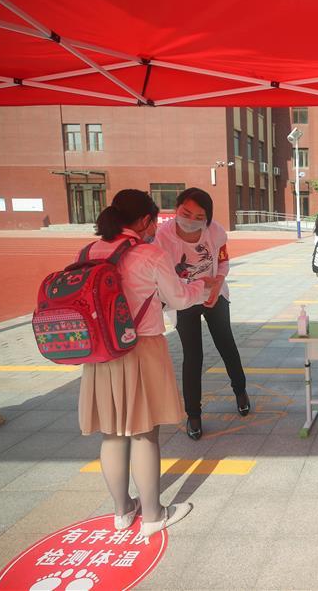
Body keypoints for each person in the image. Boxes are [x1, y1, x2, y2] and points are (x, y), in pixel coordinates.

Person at [80, 189, 214, 537]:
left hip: (100, 352)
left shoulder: (90, 250)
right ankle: (154, 515)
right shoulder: (148, 253)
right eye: (153, 222)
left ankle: (122, 510)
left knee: (111, 434)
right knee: (144, 433)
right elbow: (179, 299)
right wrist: (203, 286)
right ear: (143, 222)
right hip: (142, 348)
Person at [154, 188, 249, 441]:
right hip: (183, 299)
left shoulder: (215, 231)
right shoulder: (162, 238)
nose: (191, 219)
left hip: (213, 294)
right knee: (192, 355)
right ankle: (193, 415)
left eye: (199, 216)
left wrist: (217, 283)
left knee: (226, 343)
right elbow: (163, 279)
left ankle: (241, 391)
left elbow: (223, 260)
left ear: (207, 218)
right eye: (186, 213)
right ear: (176, 209)